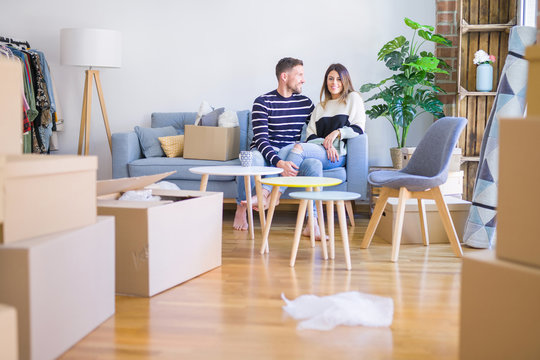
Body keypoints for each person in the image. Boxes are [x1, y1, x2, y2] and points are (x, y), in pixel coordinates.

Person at [234, 57, 322, 231]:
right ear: (284, 76)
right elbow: (260, 140)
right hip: (267, 154)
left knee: (315, 164)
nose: (303, 80)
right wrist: (279, 162)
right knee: (252, 160)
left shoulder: (305, 103)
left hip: (291, 155)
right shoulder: (263, 102)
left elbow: (317, 130)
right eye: (299, 75)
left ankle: (312, 222)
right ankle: (241, 208)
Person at [282, 63, 366, 237]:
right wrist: (326, 144)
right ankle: (312, 224)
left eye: (338, 79)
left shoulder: (353, 98)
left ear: (345, 81)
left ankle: (273, 193)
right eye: (330, 78)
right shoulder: (320, 107)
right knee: (312, 164)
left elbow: (358, 128)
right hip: (320, 152)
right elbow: (310, 136)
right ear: (326, 81)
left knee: (298, 148)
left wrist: (337, 133)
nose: (334, 82)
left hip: (337, 155)